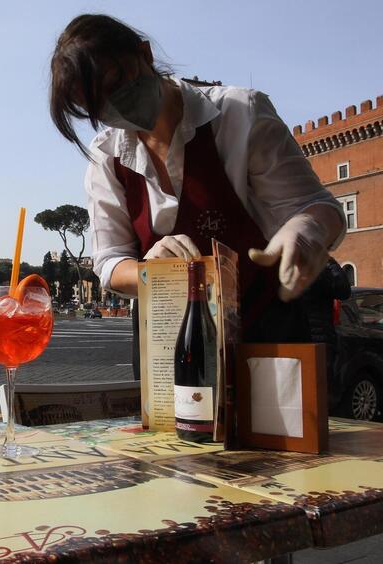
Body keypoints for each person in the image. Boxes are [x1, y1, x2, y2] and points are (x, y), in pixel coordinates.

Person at [49, 15, 346, 377]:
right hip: (168, 347)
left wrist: (304, 228)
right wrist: (149, 273)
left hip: (266, 336)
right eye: (98, 105)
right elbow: (110, 263)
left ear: (144, 54)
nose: (117, 103)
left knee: (269, 434)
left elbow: (319, 207)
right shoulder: (106, 157)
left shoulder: (239, 115)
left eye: (119, 81)